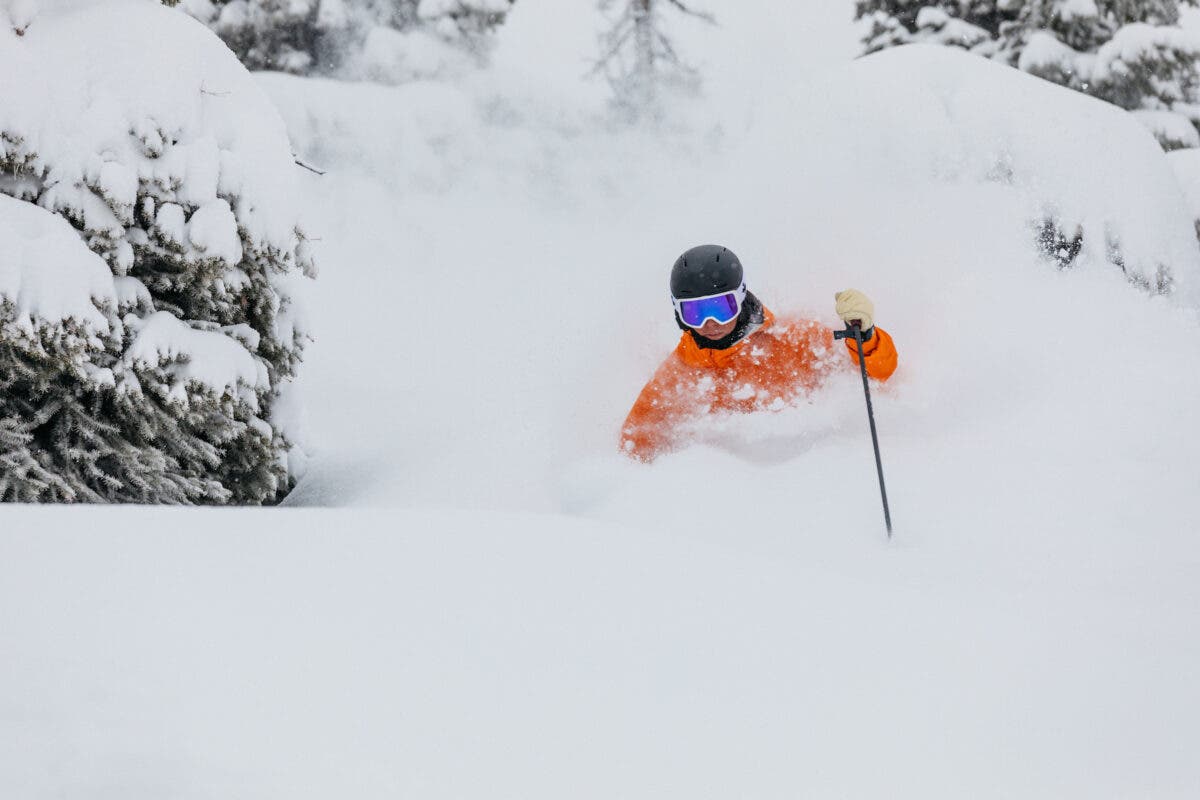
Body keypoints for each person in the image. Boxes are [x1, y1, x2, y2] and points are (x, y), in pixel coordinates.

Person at [620, 244, 898, 462]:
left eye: (721, 307)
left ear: (741, 298)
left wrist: (865, 336)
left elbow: (879, 373)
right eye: (695, 312)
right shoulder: (678, 376)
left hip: (813, 468)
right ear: (678, 313)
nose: (710, 323)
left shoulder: (790, 339)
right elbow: (636, 441)